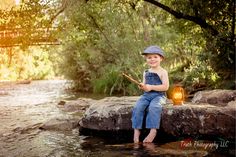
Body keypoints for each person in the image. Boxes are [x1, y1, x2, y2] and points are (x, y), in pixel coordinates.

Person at [132, 45, 169, 143]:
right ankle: (136, 130)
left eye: (155, 57)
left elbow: (165, 87)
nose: (152, 59)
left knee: (154, 107)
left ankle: (153, 130)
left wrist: (151, 87)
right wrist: (142, 86)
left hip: (159, 95)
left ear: (161, 58)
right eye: (149, 57)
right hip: (146, 96)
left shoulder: (163, 72)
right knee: (137, 107)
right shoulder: (146, 72)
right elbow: (145, 85)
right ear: (146, 59)